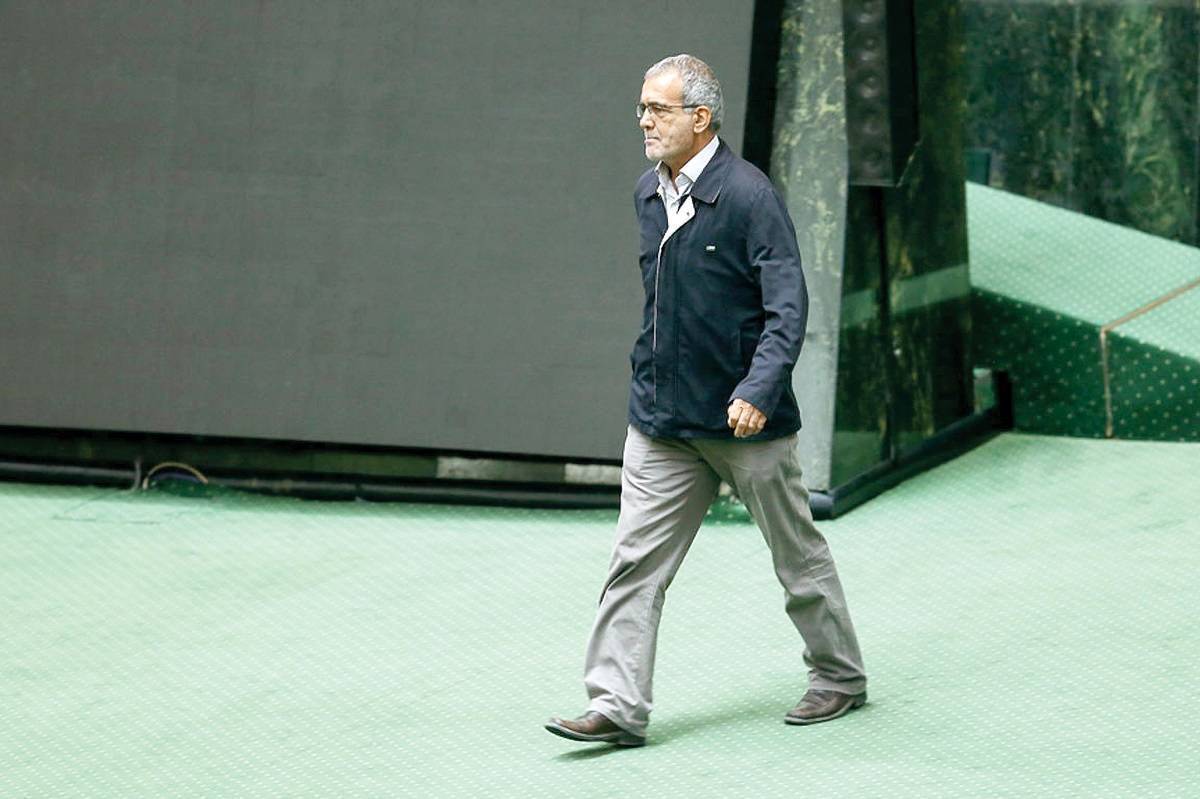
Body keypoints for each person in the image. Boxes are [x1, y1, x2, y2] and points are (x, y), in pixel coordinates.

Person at [545, 54, 867, 747]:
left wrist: (758, 389)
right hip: (662, 423)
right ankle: (616, 705)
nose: (643, 120)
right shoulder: (647, 193)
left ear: (700, 117)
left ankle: (839, 675)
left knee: (796, 556)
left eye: (657, 109)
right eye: (641, 108)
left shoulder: (750, 197)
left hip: (746, 426)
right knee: (634, 563)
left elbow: (787, 307)